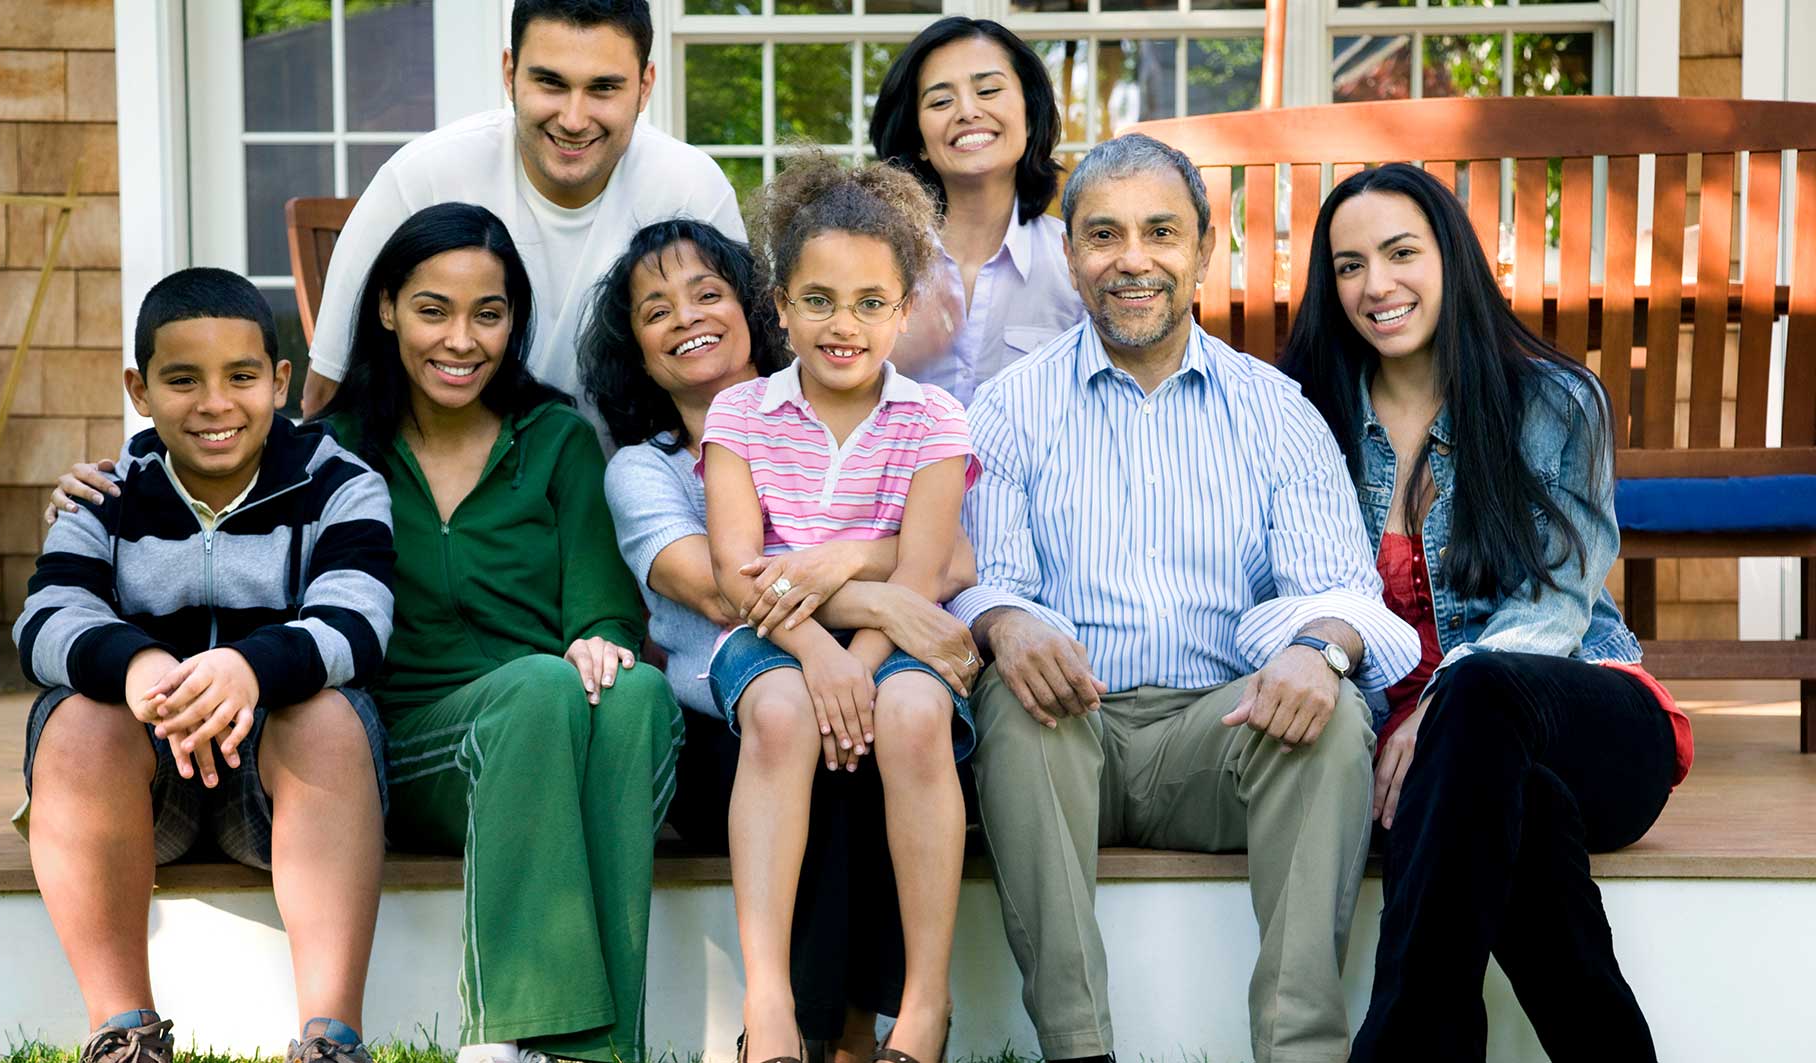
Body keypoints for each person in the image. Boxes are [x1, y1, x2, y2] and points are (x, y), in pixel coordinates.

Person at [49, 204, 681, 1063]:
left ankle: (601, 1051)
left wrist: (602, 636)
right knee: (539, 689)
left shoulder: (558, 438)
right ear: (386, 309)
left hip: (540, 718)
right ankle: (511, 1033)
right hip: (420, 737)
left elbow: (602, 610)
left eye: (488, 314)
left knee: (635, 688)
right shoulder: (336, 451)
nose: (460, 339)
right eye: (433, 310)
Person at [951, 134, 1421, 1063]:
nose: (1133, 259)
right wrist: (1004, 621)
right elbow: (976, 581)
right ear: (1072, 256)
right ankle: (1079, 1047)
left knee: (1324, 717)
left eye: (1161, 232)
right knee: (1010, 685)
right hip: (1065, 734)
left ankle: (1300, 1049)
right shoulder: (1009, 407)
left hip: (1219, 735)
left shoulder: (1276, 410)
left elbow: (1348, 597)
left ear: (1204, 250)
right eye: (1103, 235)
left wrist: (1319, 646)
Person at [1278, 162, 1695, 1063]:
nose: (1375, 285)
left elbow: (1555, 601)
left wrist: (1436, 704)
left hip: (1586, 716)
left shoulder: (1552, 398)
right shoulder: (1306, 415)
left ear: (1452, 258)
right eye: (1349, 265)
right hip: (1428, 780)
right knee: (1525, 817)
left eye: (1400, 253)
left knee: (1481, 697)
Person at [579, 219, 981, 1063]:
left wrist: (843, 566)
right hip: (730, 712)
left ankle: (871, 1027)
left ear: (749, 308)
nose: (687, 316)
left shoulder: (906, 417)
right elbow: (728, 582)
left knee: (872, 738)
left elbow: (949, 554)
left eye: (706, 294)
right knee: (805, 730)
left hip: (838, 675)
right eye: (657, 309)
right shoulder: (649, 467)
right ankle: (802, 1026)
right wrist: (878, 605)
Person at [14, 268, 395, 1063]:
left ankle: (331, 1036)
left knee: (329, 711)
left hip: (282, 785)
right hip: (142, 794)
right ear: (140, 388)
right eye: (182, 379)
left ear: (281, 380)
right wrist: (137, 664)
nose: (215, 403)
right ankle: (125, 1030)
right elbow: (44, 620)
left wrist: (251, 668)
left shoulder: (339, 483)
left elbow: (359, 620)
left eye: (242, 377)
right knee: (78, 717)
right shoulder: (104, 496)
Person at [700, 152, 977, 1063]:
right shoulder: (740, 415)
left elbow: (923, 577)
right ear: (779, 305)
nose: (842, 324)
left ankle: (924, 1009)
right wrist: (822, 660)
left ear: (904, 309)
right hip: (770, 642)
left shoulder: (933, 420)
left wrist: (856, 659)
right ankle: (771, 1005)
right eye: (817, 299)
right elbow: (743, 574)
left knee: (913, 707)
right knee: (780, 713)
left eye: (869, 302)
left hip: (883, 642)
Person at [298, 0, 744, 420]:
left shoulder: (691, 188)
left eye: (603, 88)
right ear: (509, 72)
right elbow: (329, 392)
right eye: (551, 83)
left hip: (640, 476)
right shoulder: (422, 177)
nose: (573, 119)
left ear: (644, 86)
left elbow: (743, 385)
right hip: (448, 487)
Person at [869, 16, 1082, 404]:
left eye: (987, 91)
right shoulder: (870, 264)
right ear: (918, 139)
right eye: (941, 101)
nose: (967, 111)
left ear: (1030, 116)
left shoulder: (1077, 266)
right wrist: (877, 355)